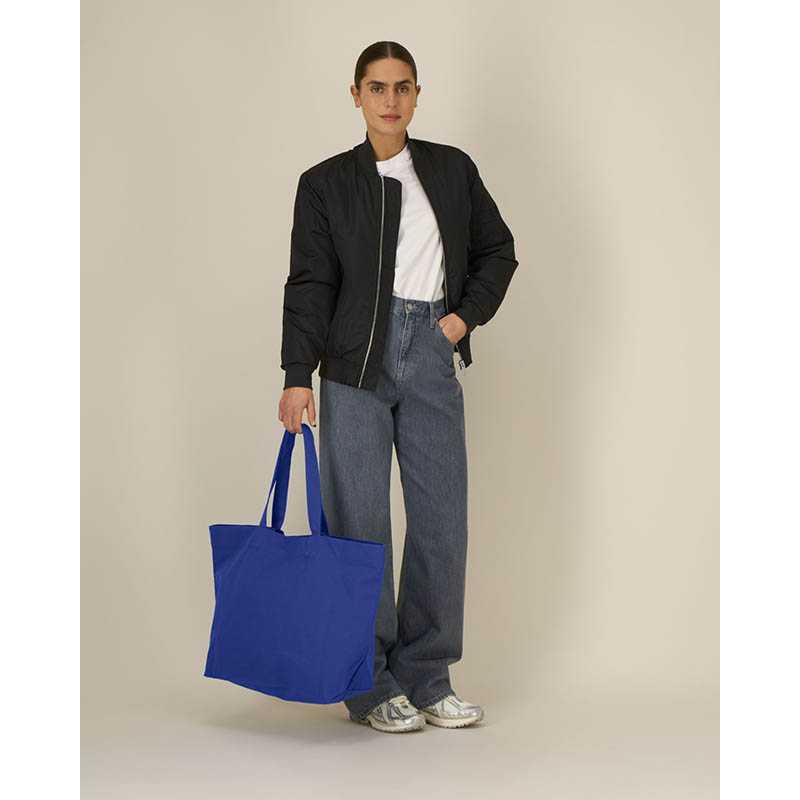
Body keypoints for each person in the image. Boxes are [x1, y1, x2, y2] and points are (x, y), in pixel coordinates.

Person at [278, 41, 518, 733]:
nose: (391, 100)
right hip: (353, 364)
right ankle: (370, 684)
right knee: (361, 527)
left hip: (431, 352)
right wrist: (297, 376)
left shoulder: (451, 169)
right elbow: (311, 283)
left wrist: (460, 320)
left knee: (441, 519)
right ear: (356, 94)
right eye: (377, 87)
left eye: (403, 87)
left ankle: (428, 675)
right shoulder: (325, 184)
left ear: (417, 94)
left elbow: (498, 250)